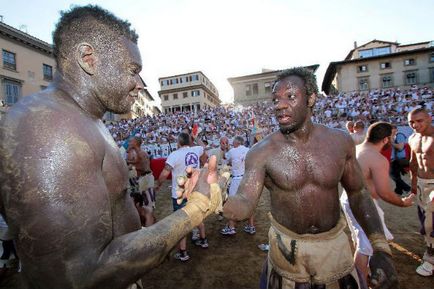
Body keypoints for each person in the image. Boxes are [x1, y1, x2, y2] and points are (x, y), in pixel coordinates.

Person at [0, 6, 223, 289]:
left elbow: (110, 235)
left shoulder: (83, 118)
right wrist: (196, 209)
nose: (138, 85)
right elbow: (79, 276)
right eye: (132, 70)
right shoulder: (51, 127)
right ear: (88, 59)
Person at [189, 67, 400, 288]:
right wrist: (216, 198)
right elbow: (244, 203)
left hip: (334, 252)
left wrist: (380, 246)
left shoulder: (339, 142)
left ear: (311, 98)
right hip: (286, 256)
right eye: (275, 99)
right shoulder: (262, 152)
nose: (279, 105)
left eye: (290, 96)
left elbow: (358, 193)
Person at [340, 121, 414, 285]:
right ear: (386, 139)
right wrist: (403, 202)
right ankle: (360, 283)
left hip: (349, 199)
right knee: (365, 246)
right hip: (363, 204)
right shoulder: (377, 158)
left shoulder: (356, 150)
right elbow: (384, 192)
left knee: (359, 240)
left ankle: (361, 278)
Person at [157, 132, 209, 261]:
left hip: (180, 193)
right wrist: (196, 137)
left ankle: (183, 252)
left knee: (181, 223)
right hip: (195, 190)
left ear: (178, 142)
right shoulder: (196, 149)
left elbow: (164, 174)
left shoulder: (174, 155)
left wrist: (158, 185)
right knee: (197, 215)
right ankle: (203, 240)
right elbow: (203, 146)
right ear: (190, 142)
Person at [407, 108, 434, 277]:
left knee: (430, 223)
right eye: (411, 122)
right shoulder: (412, 138)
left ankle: (430, 259)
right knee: (424, 220)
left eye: (419, 121)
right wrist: (414, 184)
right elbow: (413, 163)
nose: (415, 125)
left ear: (429, 118)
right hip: (422, 185)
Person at [220, 136, 254, 235]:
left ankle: (231, 227)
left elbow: (224, 158)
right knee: (248, 202)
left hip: (236, 179)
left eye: (233, 142)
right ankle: (251, 226)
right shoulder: (248, 150)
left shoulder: (233, 151)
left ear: (237, 143)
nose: (232, 143)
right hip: (246, 178)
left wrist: (225, 147)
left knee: (231, 203)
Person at [127, 136, 155, 226]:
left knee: (148, 206)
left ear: (135, 143)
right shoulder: (138, 153)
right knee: (141, 203)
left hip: (145, 179)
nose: (129, 142)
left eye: (131, 141)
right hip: (142, 180)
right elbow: (137, 163)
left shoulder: (141, 153)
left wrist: (129, 164)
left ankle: (149, 229)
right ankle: (147, 222)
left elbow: (143, 167)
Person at [390, 125, 411, 195]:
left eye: (391, 129)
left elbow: (400, 147)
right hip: (397, 159)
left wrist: (391, 142)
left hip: (400, 159)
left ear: (395, 129)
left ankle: (407, 188)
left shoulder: (399, 135)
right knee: (396, 175)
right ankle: (398, 191)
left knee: (393, 176)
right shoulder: (394, 137)